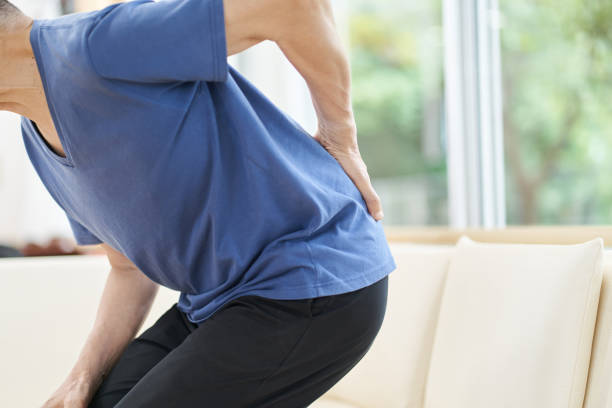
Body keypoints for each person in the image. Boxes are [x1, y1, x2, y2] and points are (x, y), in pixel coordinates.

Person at [0, 0, 397, 406]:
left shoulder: (95, 45)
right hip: (216, 303)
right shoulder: (37, 137)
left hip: (310, 279)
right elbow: (128, 269)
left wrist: (338, 136)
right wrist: (80, 378)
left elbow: (291, 7)